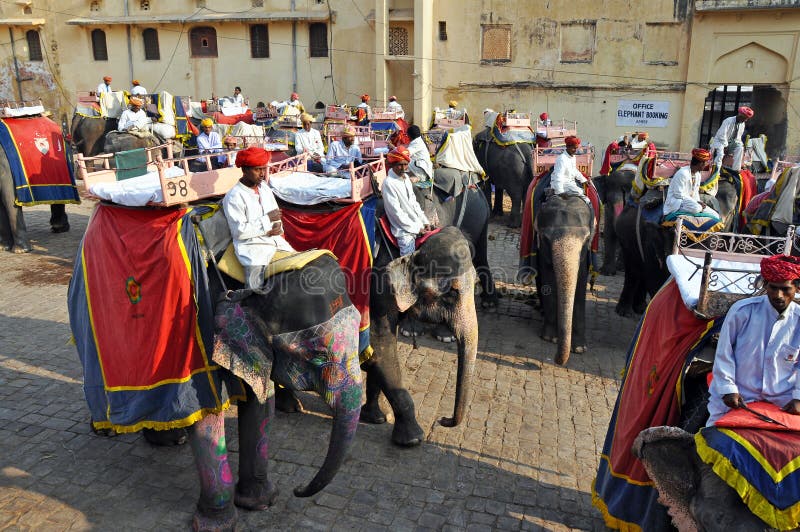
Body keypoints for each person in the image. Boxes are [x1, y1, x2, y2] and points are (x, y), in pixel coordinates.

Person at [706, 253, 800, 426]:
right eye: (773, 288)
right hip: (739, 395)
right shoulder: (742, 311)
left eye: (785, 289)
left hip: (783, 399)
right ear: (765, 285)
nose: (778, 295)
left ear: (797, 288)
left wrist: (798, 397)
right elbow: (724, 353)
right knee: (711, 439)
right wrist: (729, 390)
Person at [222, 147, 294, 289]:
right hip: (252, 248)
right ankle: (250, 306)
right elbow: (239, 232)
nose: (262, 174)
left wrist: (277, 226)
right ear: (244, 170)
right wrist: (267, 221)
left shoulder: (264, 188)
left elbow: (276, 215)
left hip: (275, 242)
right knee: (255, 288)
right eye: (257, 170)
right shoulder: (233, 197)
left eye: (263, 169)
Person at [382, 146, 432, 255]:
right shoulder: (388, 183)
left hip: (417, 223)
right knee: (409, 260)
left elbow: (414, 203)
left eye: (405, 164)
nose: (404, 168)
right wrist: (416, 229)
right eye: (400, 165)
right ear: (393, 165)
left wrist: (424, 221)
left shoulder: (406, 179)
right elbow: (396, 213)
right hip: (403, 230)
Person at [662, 148, 719, 219]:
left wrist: (699, 201)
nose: (705, 165)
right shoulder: (682, 173)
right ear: (699, 163)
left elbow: (695, 193)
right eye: (704, 163)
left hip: (691, 203)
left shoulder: (698, 174)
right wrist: (696, 203)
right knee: (696, 208)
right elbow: (678, 194)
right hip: (678, 202)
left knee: (715, 215)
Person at [709, 106, 753, 171]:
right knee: (720, 153)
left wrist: (741, 145)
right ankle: (716, 171)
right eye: (744, 118)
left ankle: (736, 170)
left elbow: (738, 138)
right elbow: (721, 135)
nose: (745, 120)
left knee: (740, 148)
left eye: (747, 119)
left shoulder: (742, 124)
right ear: (740, 115)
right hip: (720, 142)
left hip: (731, 143)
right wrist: (726, 146)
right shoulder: (728, 120)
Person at [550, 136, 588, 200]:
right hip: (563, 184)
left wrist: (583, 180)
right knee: (582, 194)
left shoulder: (573, 157)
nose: (575, 151)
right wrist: (560, 192)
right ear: (567, 147)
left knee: (583, 194)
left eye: (576, 148)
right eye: (573, 148)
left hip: (570, 184)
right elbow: (558, 176)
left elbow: (574, 170)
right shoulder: (562, 159)